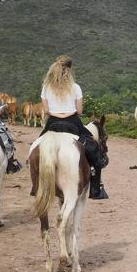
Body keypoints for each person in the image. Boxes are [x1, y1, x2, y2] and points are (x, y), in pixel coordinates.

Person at [39, 55, 107, 199]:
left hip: (52, 122)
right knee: (94, 149)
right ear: (69, 70)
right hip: (73, 122)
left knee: (37, 148)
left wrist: (56, 114)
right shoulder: (76, 87)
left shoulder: (46, 87)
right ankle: (96, 189)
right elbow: (80, 110)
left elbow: (46, 111)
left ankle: (37, 186)